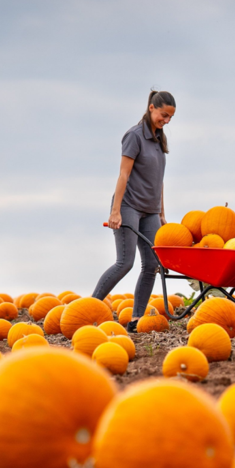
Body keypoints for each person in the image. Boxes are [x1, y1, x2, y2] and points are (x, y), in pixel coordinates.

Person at [91, 90, 176, 332]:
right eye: (163, 115)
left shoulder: (159, 139)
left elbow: (159, 180)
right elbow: (124, 174)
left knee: (151, 264)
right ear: (151, 108)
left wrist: (161, 213)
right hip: (129, 206)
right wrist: (115, 211)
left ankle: (136, 319)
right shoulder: (134, 136)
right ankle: (89, 307)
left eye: (170, 117)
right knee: (125, 262)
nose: (166, 121)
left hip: (150, 212)